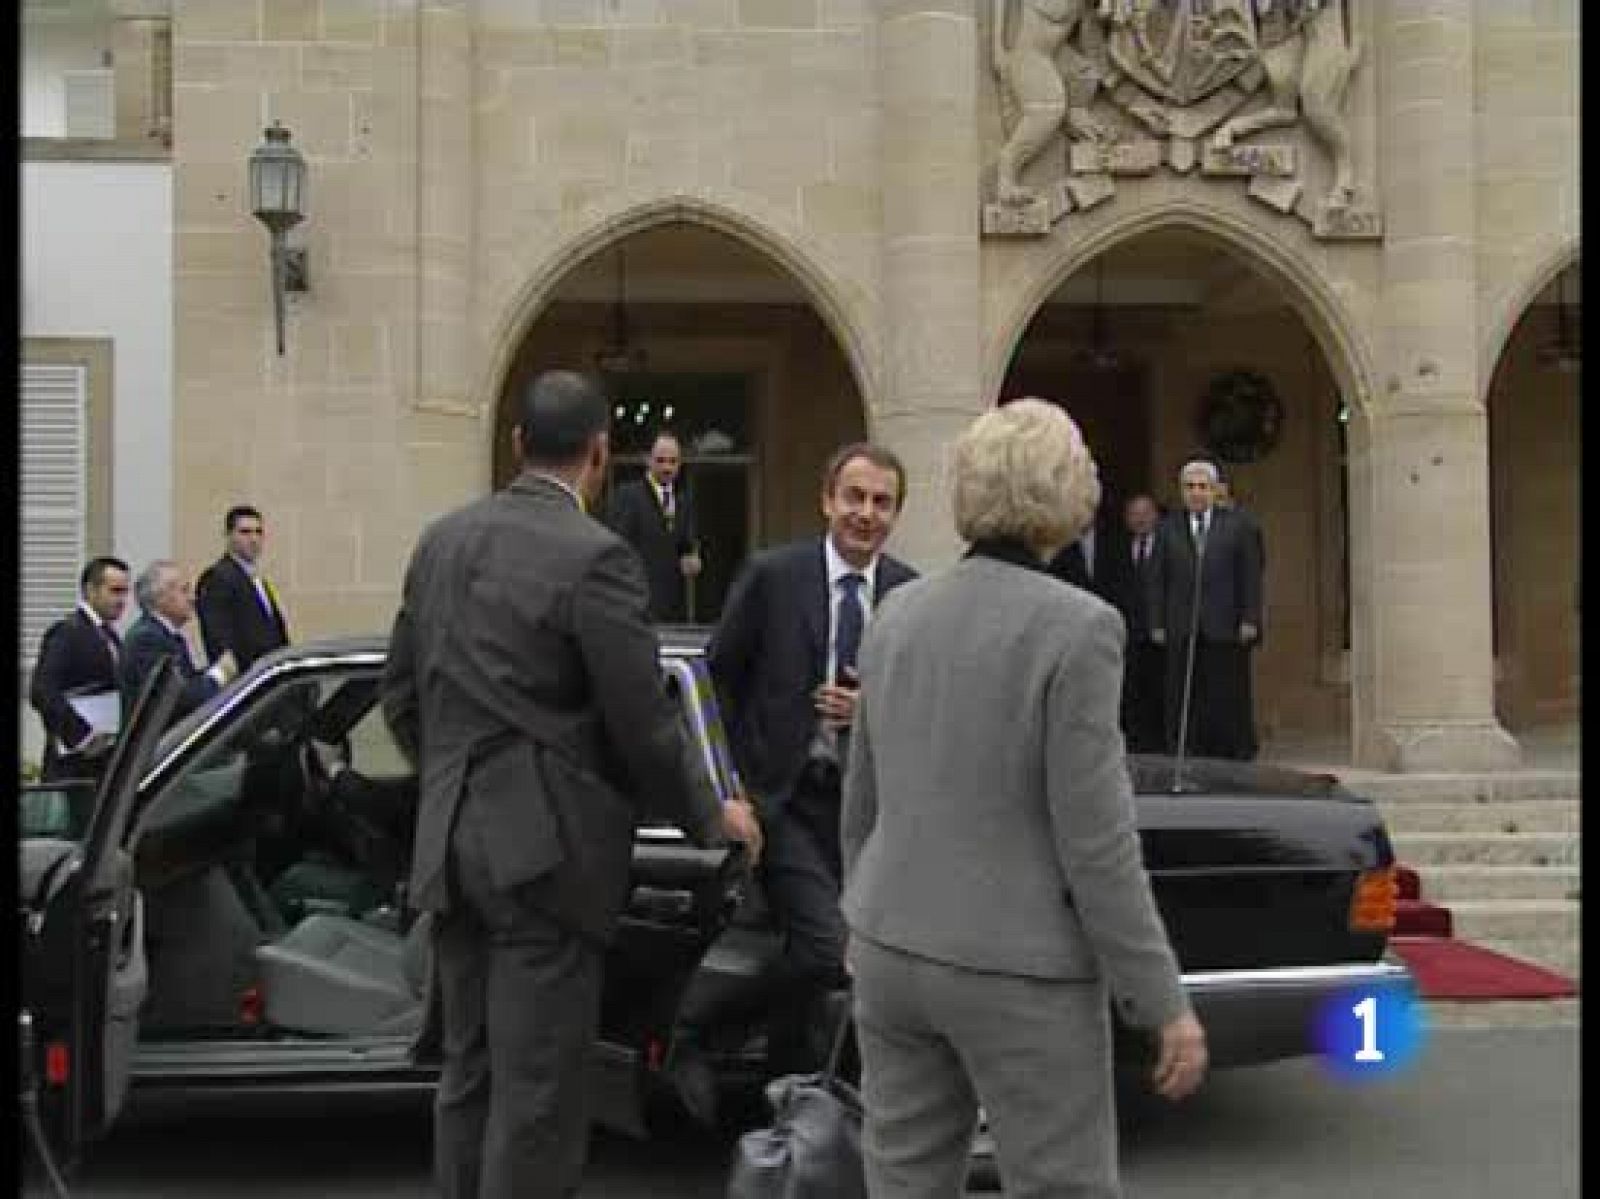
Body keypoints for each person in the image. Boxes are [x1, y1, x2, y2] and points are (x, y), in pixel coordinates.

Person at [381, 369, 763, 1199]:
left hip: (449, 846)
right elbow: (642, 721)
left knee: (468, 1073)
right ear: (600, 456)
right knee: (540, 1092)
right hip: (545, 860)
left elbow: (401, 699)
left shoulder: (440, 539)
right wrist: (711, 815)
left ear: (517, 445)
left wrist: (461, 773)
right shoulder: (599, 557)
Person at [840, 399, 1206, 1199]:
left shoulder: (897, 612)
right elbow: (1098, 842)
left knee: (901, 1181)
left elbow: (861, 802)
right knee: (1060, 1183)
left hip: (891, 945)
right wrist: (1161, 999)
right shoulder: (1080, 627)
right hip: (1020, 966)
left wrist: (857, 917)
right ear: (1066, 494)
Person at [707, 442, 917, 1076]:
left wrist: (870, 710)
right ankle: (703, 1025)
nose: (866, 513)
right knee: (827, 948)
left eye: (882, 502)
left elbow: (922, 705)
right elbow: (717, 681)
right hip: (783, 800)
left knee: (843, 962)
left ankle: (792, 1094)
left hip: (864, 810)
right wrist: (731, 787)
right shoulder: (774, 577)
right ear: (828, 500)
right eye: (854, 497)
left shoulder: (910, 594)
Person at [1147, 459, 1265, 761]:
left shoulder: (1239, 526)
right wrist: (1157, 622)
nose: (1196, 493)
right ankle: (1184, 751)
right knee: (1181, 691)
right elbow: (1157, 579)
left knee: (1225, 692)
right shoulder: (1166, 528)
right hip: (1181, 624)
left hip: (1224, 624)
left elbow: (1250, 576)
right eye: (1190, 487)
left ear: (1214, 490)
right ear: (1181, 491)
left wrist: (1250, 618)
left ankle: (1230, 752)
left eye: (1202, 487)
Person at [30, 556, 133, 783]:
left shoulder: (112, 636)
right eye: (115, 591)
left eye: (125, 592)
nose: (122, 600)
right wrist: (81, 734)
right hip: (73, 765)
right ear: (90, 590)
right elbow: (42, 690)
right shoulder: (68, 632)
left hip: (103, 759)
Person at [122, 560, 239, 723]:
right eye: (184, 591)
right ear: (160, 597)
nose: (193, 598)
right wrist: (219, 674)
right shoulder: (147, 639)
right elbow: (175, 698)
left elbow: (187, 681)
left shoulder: (169, 636)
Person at [605, 430, 702, 623]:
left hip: (673, 609)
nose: (667, 467)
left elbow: (685, 545)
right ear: (647, 460)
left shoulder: (683, 501)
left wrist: (691, 558)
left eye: (673, 461)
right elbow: (617, 548)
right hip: (635, 606)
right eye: (660, 460)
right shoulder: (628, 497)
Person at [196, 505, 290, 672]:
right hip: (247, 678)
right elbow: (219, 641)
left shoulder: (258, 580)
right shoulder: (217, 578)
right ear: (228, 535)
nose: (253, 539)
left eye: (258, 532)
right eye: (245, 532)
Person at [1116, 493, 1166, 753]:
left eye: (1145, 513)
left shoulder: (1169, 546)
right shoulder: (1117, 549)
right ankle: (1136, 742)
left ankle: (1162, 743)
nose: (1140, 519)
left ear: (1156, 516)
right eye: (1134, 514)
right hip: (1128, 633)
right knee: (1131, 690)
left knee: (1162, 689)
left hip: (1162, 633)